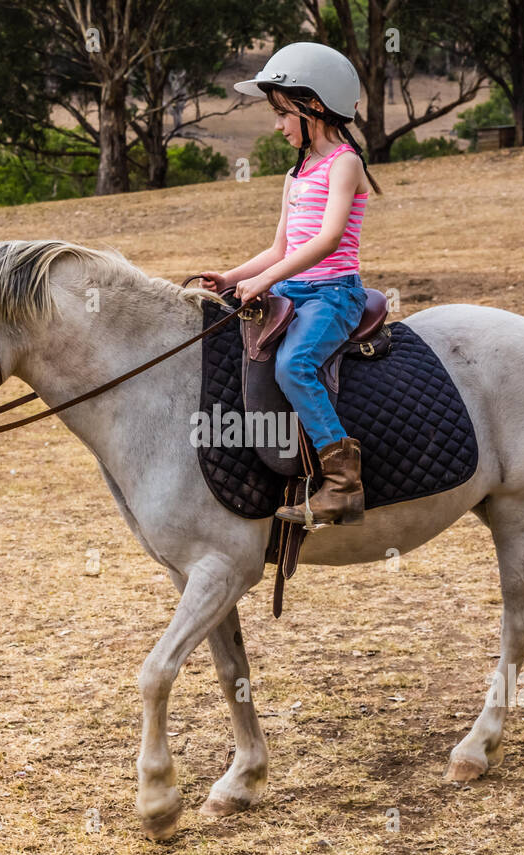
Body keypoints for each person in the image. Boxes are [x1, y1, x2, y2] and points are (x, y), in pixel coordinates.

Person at [201, 42, 383, 528]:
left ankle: (343, 484)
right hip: (293, 291)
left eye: (283, 114)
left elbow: (326, 242)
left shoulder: (345, 163)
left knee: (295, 365)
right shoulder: (295, 173)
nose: (277, 125)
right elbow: (279, 248)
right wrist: (234, 276)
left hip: (333, 294)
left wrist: (266, 280)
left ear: (315, 107)